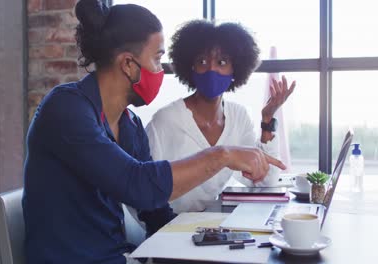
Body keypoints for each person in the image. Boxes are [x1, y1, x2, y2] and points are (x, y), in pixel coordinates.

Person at [22, 1, 285, 263]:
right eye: (157, 58)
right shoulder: (66, 108)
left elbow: (155, 211)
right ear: (128, 64)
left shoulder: (129, 125)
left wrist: (209, 241)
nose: (160, 70)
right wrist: (221, 155)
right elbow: (138, 186)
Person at [145, 20, 296, 213]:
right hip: (169, 230)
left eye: (222, 62)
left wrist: (267, 120)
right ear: (191, 67)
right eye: (202, 61)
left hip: (212, 230)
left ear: (236, 69)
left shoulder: (239, 117)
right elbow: (143, 192)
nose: (211, 70)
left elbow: (264, 182)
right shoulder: (165, 121)